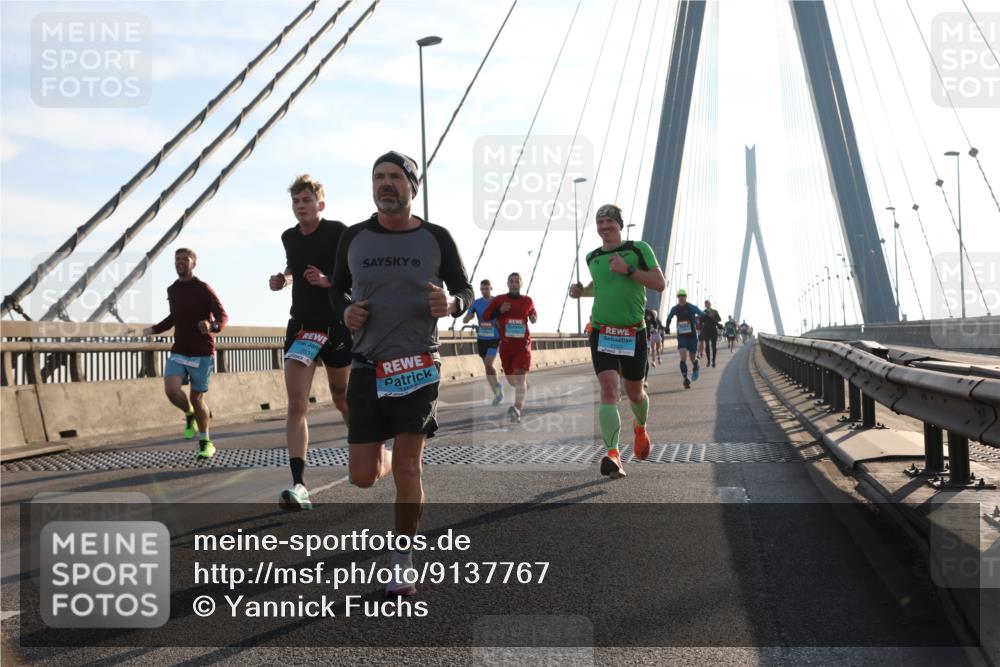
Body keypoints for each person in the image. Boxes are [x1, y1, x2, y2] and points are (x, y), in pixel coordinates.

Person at [331, 151, 473, 596]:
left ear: (413, 186)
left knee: (411, 467)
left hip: (417, 365)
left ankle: (401, 559)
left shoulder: (436, 237)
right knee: (362, 476)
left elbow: (464, 289)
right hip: (367, 367)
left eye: (395, 177)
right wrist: (346, 311)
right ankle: (385, 458)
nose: (385, 183)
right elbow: (337, 290)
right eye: (379, 177)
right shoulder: (353, 238)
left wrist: (452, 305)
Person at [269, 174, 351, 511]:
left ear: (320, 205)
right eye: (296, 202)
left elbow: (350, 275)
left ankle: (366, 446)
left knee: (341, 397)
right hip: (303, 327)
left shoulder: (338, 232)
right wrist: (284, 279)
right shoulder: (289, 236)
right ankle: (299, 484)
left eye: (306, 201)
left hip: (335, 323)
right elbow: (293, 264)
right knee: (297, 404)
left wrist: (327, 280)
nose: (300, 206)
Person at [570, 204, 665, 479]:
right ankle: (613, 454)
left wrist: (629, 270)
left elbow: (659, 283)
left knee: (635, 394)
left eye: (610, 221)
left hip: (633, 333)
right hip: (602, 331)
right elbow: (600, 287)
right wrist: (580, 291)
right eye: (600, 223)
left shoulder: (638, 249)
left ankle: (640, 427)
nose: (604, 227)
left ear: (620, 225)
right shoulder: (593, 257)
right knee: (609, 390)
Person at [142, 248, 228, 459]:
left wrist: (211, 326)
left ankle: (206, 442)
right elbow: (174, 317)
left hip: (202, 351)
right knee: (171, 390)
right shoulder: (173, 289)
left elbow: (222, 317)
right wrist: (154, 329)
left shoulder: (203, 288)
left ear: (193, 264)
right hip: (179, 349)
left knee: (197, 398)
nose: (180, 262)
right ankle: (189, 414)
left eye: (185, 259)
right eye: (177, 259)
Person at [483, 272, 537, 424]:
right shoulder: (500, 300)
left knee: (520, 376)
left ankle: (517, 408)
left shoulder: (528, 300)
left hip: (523, 345)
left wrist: (533, 317)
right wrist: (500, 311)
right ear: (507, 284)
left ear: (521, 284)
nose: (514, 284)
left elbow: (533, 313)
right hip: (506, 346)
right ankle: (524, 387)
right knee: (513, 382)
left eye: (516, 281)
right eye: (511, 281)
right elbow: (486, 316)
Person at [463, 279, 503, 405]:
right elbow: (465, 319)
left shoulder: (497, 301)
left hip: (495, 337)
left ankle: (497, 387)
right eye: (482, 289)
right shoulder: (476, 303)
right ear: (480, 290)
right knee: (487, 367)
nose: (485, 291)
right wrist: (469, 317)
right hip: (482, 339)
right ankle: (496, 393)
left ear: (491, 288)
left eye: (487, 288)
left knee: (489, 363)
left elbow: (505, 316)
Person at [664, 288, 706, 389]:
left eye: (683, 296)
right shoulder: (675, 308)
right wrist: (667, 327)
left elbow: (702, 314)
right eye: (679, 296)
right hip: (682, 336)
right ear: (678, 298)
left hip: (692, 336)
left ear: (686, 297)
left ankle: (695, 366)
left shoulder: (691, 307)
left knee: (692, 358)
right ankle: (685, 378)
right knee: (683, 356)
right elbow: (669, 317)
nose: (681, 298)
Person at [701, 299, 722, 367]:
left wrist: (713, 319)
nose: (707, 305)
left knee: (714, 346)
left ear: (710, 304)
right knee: (707, 346)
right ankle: (708, 361)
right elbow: (701, 320)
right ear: (705, 305)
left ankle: (714, 360)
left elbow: (719, 319)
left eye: (708, 303)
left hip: (713, 330)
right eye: (706, 304)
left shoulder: (715, 311)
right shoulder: (703, 312)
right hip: (706, 330)